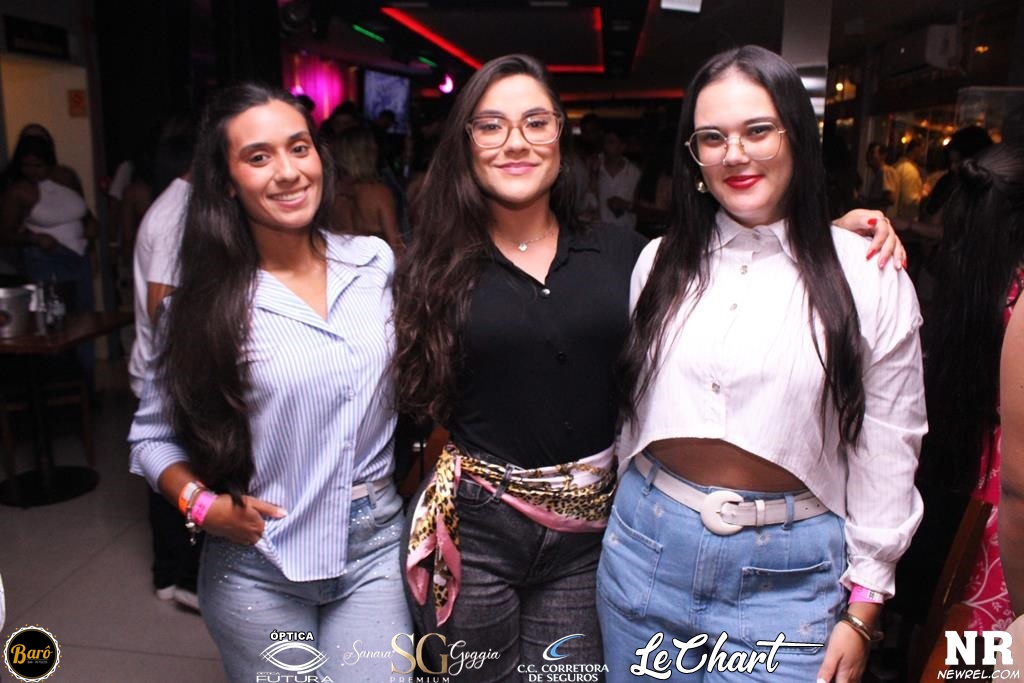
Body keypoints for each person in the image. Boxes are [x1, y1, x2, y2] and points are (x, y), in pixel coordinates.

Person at [394, 53, 907, 682]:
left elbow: (753, 265)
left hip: (600, 538)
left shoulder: (627, 257)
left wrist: (830, 237)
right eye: (491, 125)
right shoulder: (436, 266)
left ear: (561, 136)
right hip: (502, 528)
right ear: (466, 143)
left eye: (536, 121)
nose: (516, 141)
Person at [602, 45, 925, 682]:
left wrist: (866, 606)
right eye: (712, 137)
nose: (735, 154)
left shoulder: (867, 274)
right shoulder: (659, 263)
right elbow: (631, 411)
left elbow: (890, 442)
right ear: (694, 157)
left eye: (758, 131)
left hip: (790, 581)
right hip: (643, 551)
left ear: (796, 136)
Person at [128, 83, 410, 682]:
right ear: (228, 182)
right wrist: (202, 506)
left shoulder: (373, 263)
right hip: (260, 561)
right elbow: (151, 439)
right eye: (258, 157)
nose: (287, 172)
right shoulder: (199, 307)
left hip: (375, 548)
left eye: (298, 148)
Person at [923, 142, 1024, 631]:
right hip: (1007, 500)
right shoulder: (1018, 294)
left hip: (964, 482)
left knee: (962, 637)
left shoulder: (967, 278)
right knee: (1002, 644)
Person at [128, 128, 201, 611]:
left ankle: (169, 576)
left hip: (162, 368)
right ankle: (182, 579)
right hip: (171, 374)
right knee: (178, 476)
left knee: (168, 480)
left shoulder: (173, 203)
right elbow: (163, 303)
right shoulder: (179, 212)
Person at [329, 126, 403, 252]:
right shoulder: (379, 193)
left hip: (340, 261)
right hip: (375, 262)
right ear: (369, 154)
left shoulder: (330, 192)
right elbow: (395, 244)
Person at [860, 142, 895, 212]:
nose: (869, 156)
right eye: (868, 153)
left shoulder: (885, 171)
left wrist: (868, 203)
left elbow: (890, 199)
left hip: (883, 216)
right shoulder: (879, 173)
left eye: (872, 153)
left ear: (883, 156)